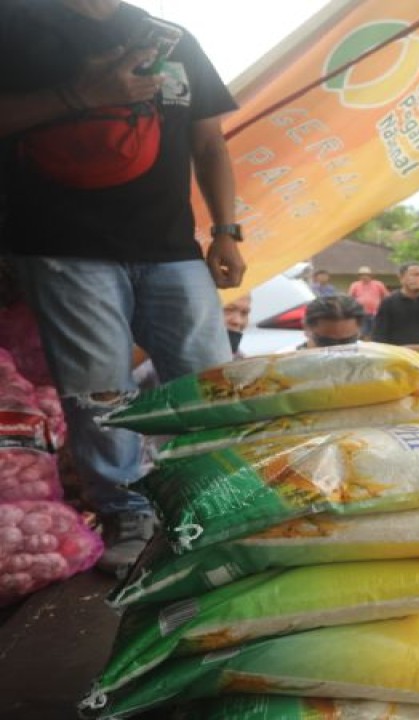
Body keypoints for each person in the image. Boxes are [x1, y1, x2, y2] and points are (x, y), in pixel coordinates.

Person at [0, 0, 244, 575]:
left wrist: (227, 231)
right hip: (61, 246)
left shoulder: (170, 36)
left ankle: (220, 498)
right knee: (99, 393)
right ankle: (129, 511)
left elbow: (209, 143)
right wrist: (80, 97)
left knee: (209, 386)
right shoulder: (12, 24)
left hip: (173, 248)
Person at [371, 262, 419, 345]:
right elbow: (379, 333)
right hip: (400, 352)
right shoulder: (389, 302)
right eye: (415, 275)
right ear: (401, 278)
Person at [295, 294, 363, 350]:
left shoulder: (370, 358)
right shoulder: (287, 363)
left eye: (347, 342)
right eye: (328, 342)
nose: (337, 350)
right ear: (306, 328)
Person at [347, 265, 389, 339]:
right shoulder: (355, 285)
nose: (364, 276)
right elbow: (349, 298)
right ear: (359, 276)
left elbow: (387, 297)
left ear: (371, 275)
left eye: (366, 275)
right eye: (362, 275)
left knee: (376, 332)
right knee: (363, 333)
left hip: (376, 313)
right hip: (361, 313)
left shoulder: (378, 284)